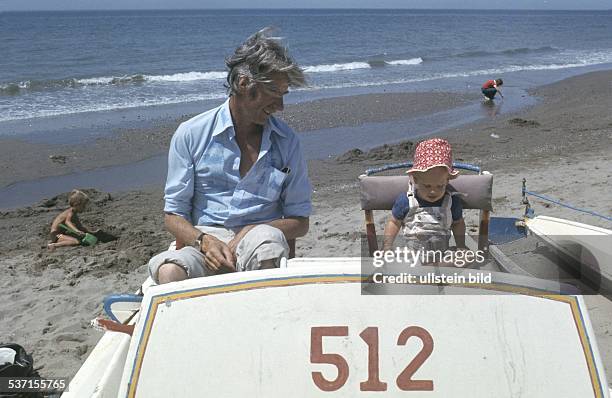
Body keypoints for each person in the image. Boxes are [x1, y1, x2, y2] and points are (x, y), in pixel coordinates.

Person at [148, 28, 312, 284]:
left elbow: (301, 222)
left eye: (283, 95)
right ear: (244, 84)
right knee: (169, 271)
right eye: (274, 94)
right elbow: (173, 216)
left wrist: (251, 230)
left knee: (267, 245)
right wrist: (204, 241)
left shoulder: (287, 141)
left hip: (261, 240)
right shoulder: (191, 134)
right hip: (204, 243)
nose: (280, 107)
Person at [382, 138, 467, 266]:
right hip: (413, 257)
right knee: (397, 259)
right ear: (415, 180)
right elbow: (394, 222)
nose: (433, 192)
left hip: (442, 256)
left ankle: (438, 269)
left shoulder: (451, 201)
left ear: (447, 181)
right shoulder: (406, 201)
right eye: (427, 186)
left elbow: (458, 223)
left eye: (440, 186)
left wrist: (461, 246)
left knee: (468, 257)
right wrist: (387, 246)